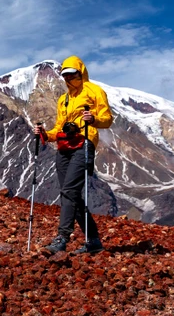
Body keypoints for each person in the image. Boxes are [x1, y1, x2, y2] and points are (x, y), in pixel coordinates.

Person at [34, 55, 116, 254]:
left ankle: (62, 238)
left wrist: (93, 118)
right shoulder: (64, 99)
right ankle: (94, 241)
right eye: (66, 76)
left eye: (72, 74)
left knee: (69, 191)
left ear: (80, 72)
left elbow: (107, 119)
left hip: (84, 143)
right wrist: (46, 134)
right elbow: (59, 128)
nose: (69, 79)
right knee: (69, 194)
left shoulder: (94, 91)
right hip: (64, 147)